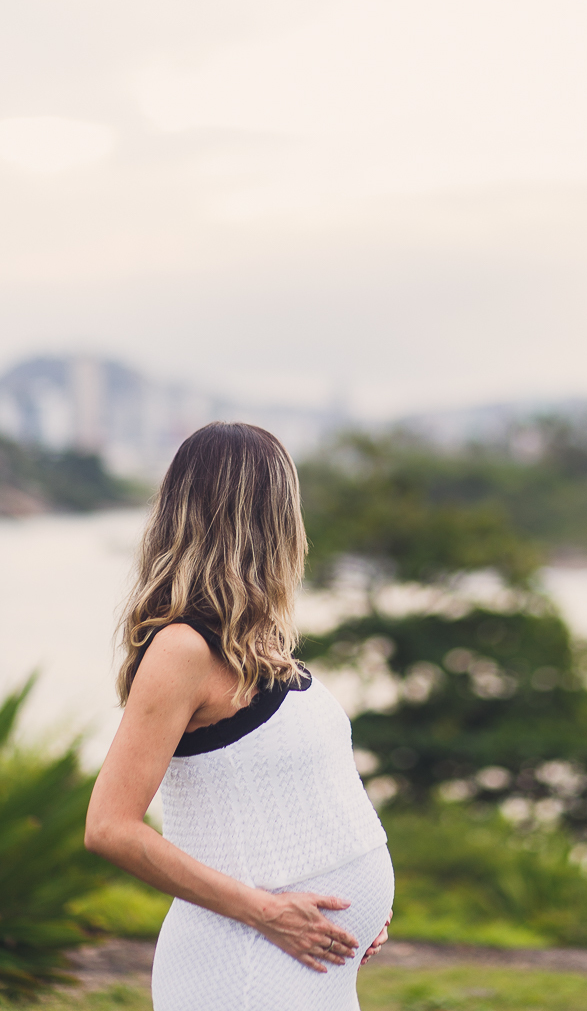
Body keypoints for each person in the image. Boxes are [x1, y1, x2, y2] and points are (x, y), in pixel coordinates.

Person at [85, 422, 394, 1011]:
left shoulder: (258, 640)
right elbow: (109, 827)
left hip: (308, 961)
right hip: (243, 962)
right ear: (266, 517)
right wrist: (269, 911)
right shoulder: (182, 649)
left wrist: (361, 909)